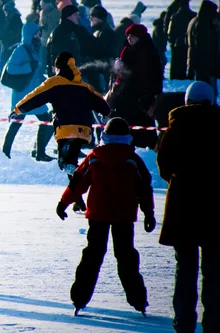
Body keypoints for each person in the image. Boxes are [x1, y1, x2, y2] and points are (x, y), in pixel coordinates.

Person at [56, 117, 155, 316]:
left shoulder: (94, 157)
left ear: (105, 136)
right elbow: (144, 187)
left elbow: (77, 181)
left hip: (98, 214)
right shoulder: (132, 159)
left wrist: (64, 202)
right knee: (126, 257)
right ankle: (138, 300)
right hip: (124, 215)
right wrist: (148, 212)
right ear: (128, 137)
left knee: (91, 256)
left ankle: (79, 298)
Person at [156, 81, 220, 333]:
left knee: (185, 268)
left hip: (182, 208)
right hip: (216, 208)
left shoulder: (174, 128)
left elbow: (164, 167)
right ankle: (214, 322)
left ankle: (183, 322)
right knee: (214, 270)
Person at [13, 51, 110, 213]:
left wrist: (18, 109)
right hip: (84, 131)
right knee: (70, 163)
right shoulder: (84, 86)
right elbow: (103, 105)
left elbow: (35, 96)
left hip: (66, 130)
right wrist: (106, 114)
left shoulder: (55, 82)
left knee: (66, 164)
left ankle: (90, 177)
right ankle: (78, 200)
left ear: (58, 67)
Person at [1, 22, 54, 161]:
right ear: (30, 34)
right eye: (36, 33)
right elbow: (11, 69)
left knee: (46, 121)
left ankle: (40, 153)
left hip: (34, 94)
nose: (38, 36)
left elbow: (36, 73)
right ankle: (5, 153)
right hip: (22, 94)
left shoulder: (34, 50)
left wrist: (49, 82)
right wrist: (28, 66)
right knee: (17, 123)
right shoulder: (20, 50)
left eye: (39, 34)